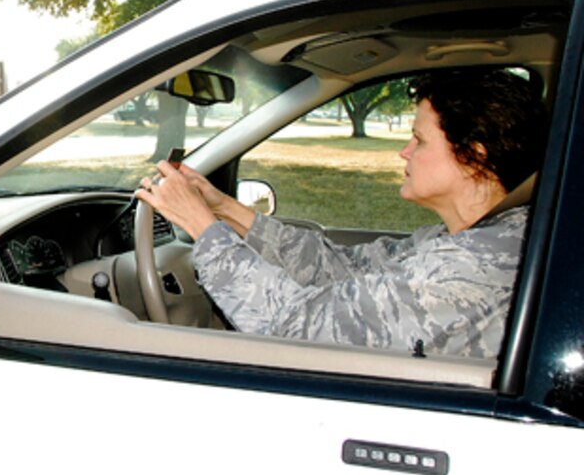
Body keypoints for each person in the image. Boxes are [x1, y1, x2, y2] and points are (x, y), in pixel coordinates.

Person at [136, 68, 547, 358]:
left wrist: (202, 228)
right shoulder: (462, 238)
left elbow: (298, 330)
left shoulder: (469, 269)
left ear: (473, 158)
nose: (404, 152)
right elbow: (343, 268)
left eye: (419, 141)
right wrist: (223, 209)